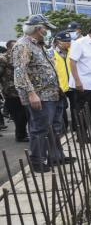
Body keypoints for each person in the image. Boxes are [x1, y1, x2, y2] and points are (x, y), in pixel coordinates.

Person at [13, 14, 73, 172]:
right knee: (40, 129)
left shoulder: (39, 44)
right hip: (40, 96)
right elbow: (20, 73)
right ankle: (38, 162)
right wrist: (31, 93)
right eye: (45, 28)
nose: (47, 31)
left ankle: (56, 157)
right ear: (38, 29)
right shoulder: (23, 45)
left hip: (53, 93)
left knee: (54, 127)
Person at [0, 40, 28, 141]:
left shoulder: (20, 57)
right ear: (8, 48)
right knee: (18, 115)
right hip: (11, 91)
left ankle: (23, 133)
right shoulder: (3, 59)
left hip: (23, 90)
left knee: (24, 115)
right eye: (14, 47)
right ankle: (20, 135)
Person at [52, 31, 76, 132]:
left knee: (75, 107)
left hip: (73, 84)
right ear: (58, 41)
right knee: (61, 109)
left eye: (69, 41)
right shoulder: (50, 53)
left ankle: (76, 127)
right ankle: (63, 129)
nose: (68, 43)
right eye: (65, 41)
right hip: (60, 86)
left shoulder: (73, 51)